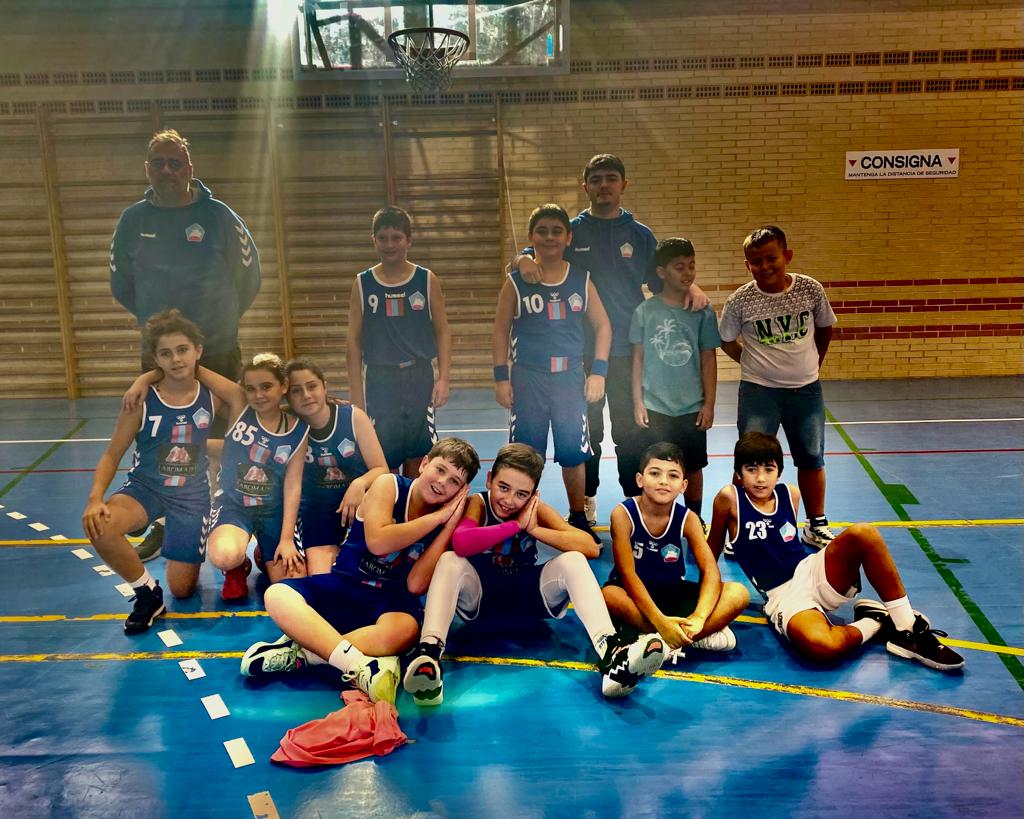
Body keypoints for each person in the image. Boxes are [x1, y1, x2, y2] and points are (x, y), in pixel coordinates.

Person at [511, 155, 708, 523]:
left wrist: (690, 285)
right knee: (589, 433)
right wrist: (521, 258)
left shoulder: (640, 235)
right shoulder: (573, 230)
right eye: (597, 179)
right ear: (585, 186)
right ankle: (587, 499)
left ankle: (634, 501)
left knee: (630, 430)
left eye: (611, 178)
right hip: (578, 352)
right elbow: (542, 246)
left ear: (623, 185)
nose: (604, 185)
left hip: (628, 350)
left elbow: (664, 274)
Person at [402, 443, 667, 706]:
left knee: (574, 560)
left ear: (533, 495)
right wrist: (516, 526)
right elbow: (462, 542)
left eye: (521, 494)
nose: (509, 500)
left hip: (528, 602)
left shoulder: (535, 510)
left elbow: (590, 547)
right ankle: (429, 655)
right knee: (450, 561)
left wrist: (535, 529)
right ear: (490, 479)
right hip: (481, 601)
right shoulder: (478, 504)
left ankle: (611, 654)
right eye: (503, 487)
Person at [110, 129, 262, 562]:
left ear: (190, 169)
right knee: (163, 439)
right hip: (161, 356)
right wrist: (162, 330)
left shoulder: (220, 216)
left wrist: (218, 323)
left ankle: (225, 519)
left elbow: (249, 277)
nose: (167, 171)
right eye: (159, 163)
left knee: (221, 438)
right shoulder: (132, 222)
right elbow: (121, 284)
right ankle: (164, 520)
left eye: (175, 163)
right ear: (147, 170)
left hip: (218, 349)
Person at [238, 438, 480, 706]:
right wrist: (437, 518)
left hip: (389, 603)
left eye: (454, 481)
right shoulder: (389, 486)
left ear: (461, 491)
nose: (443, 482)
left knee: (408, 631)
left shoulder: (446, 523)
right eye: (440, 469)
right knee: (277, 595)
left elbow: (415, 584)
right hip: (345, 585)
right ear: (424, 464)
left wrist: (448, 527)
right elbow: (378, 542)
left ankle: (302, 655)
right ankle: (357, 664)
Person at [707, 432, 965, 671]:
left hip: (811, 570)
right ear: (738, 473)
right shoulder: (730, 499)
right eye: (751, 469)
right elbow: (711, 552)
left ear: (780, 472)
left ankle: (907, 629)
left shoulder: (790, 494)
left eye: (769, 469)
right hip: (782, 595)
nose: (761, 478)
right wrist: (703, 597)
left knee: (864, 533)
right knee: (822, 646)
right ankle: (877, 623)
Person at [82, 310, 236, 633]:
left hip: (191, 498)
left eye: (183, 350)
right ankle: (146, 593)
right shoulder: (140, 400)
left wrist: (151, 374)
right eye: (165, 354)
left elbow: (242, 396)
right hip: (145, 489)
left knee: (181, 590)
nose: (176, 359)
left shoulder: (210, 396)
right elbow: (112, 454)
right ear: (156, 359)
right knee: (100, 525)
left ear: (198, 350)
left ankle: (171, 530)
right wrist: (95, 498)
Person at [493, 204, 611, 543]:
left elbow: (603, 326)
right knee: (524, 456)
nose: (549, 237)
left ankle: (578, 517)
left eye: (557, 231)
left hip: (569, 379)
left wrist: (598, 372)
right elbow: (500, 330)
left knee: (574, 453)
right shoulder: (515, 282)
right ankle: (516, 518)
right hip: (528, 378)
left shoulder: (581, 279)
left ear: (568, 237)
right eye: (542, 231)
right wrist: (501, 377)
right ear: (531, 237)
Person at [719, 225, 837, 549]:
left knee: (811, 457)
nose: (765, 266)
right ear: (747, 265)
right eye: (756, 261)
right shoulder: (740, 300)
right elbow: (726, 340)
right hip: (759, 392)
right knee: (749, 458)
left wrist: (813, 363)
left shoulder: (810, 289)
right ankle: (740, 528)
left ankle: (816, 524)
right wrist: (750, 362)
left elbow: (825, 328)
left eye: (771, 258)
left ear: (787, 256)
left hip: (806, 390)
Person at [604, 443, 749, 654]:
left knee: (738, 593)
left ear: (683, 485)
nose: (663, 481)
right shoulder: (623, 514)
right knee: (609, 596)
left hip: (672, 592)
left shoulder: (688, 519)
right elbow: (627, 574)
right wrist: (660, 621)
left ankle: (663, 641)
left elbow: (710, 569)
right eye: (655, 473)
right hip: (634, 594)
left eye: (673, 475)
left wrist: (699, 618)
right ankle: (678, 636)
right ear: (640, 479)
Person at [346, 206, 452, 477]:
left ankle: (411, 500)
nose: (389, 244)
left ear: (409, 240)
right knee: (384, 453)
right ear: (374, 240)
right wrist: (356, 394)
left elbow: (442, 331)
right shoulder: (363, 283)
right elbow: (353, 341)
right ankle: (390, 500)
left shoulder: (426, 280)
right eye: (383, 238)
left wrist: (443, 378)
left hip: (419, 375)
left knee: (418, 452)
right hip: (380, 379)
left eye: (396, 237)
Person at [199, 354, 310, 598]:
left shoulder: (299, 429)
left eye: (266, 386)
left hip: (273, 510)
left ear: (283, 386)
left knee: (292, 587)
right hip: (234, 506)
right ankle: (237, 566)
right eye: (251, 388)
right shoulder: (241, 406)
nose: (258, 395)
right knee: (224, 555)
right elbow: (193, 368)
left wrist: (286, 539)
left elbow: (293, 486)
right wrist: (145, 379)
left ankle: (265, 552)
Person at [631, 238, 720, 520]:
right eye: (679, 267)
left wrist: (709, 404)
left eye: (691, 266)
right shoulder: (645, 312)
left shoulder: (703, 312)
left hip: (691, 407)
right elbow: (638, 359)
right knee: (657, 466)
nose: (687, 273)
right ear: (661, 272)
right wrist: (638, 402)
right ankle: (656, 519)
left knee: (693, 466)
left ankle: (694, 518)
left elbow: (709, 359)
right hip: (655, 406)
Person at [285, 357, 389, 575]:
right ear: (288, 396)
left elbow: (381, 469)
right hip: (316, 511)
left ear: (324, 387)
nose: (306, 395)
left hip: (359, 505)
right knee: (322, 577)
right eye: (296, 391)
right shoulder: (287, 425)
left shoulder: (353, 417)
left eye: (312, 386)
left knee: (369, 572)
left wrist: (359, 484)